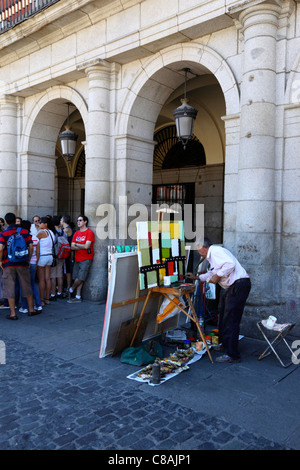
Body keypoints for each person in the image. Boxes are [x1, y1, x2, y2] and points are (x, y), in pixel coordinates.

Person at [186, 237, 251, 363]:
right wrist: (197, 277)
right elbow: (213, 272)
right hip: (234, 287)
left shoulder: (216, 251)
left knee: (230, 319)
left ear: (203, 248)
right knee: (223, 317)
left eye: (198, 250)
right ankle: (225, 345)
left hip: (238, 285)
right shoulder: (213, 256)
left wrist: (218, 276)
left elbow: (229, 265)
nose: (199, 253)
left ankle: (232, 354)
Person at [0, 212, 39, 319]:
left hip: (8, 264)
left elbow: (0, 248)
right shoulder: (25, 232)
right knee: (26, 285)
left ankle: (13, 313)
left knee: (10, 287)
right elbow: (31, 247)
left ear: (6, 222)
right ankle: (31, 309)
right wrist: (28, 260)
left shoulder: (4, 233)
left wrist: (0, 261)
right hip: (23, 262)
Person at [67, 215, 94, 303]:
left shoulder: (89, 232)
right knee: (77, 277)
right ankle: (78, 296)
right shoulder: (76, 233)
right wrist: (81, 246)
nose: (78, 222)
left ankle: (71, 289)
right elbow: (72, 246)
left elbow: (87, 246)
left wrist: (77, 245)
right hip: (77, 258)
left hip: (86, 258)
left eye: (80, 220)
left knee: (81, 277)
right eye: (77, 220)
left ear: (85, 222)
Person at [19, 220, 43, 314]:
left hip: (25, 263)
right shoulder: (35, 238)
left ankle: (24, 307)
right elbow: (38, 253)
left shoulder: (21, 238)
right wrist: (35, 263)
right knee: (32, 285)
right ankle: (38, 304)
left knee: (23, 286)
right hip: (33, 263)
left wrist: (28, 260)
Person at [37, 216, 55, 306]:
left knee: (41, 280)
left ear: (45, 224)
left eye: (40, 222)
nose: (39, 224)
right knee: (47, 278)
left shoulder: (41, 233)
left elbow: (34, 242)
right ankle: (47, 298)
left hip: (42, 257)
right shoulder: (51, 232)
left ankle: (41, 300)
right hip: (50, 257)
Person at [49, 216, 64, 300]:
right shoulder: (63, 232)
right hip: (62, 255)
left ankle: (53, 294)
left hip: (54, 255)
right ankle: (60, 292)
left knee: (53, 275)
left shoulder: (52, 232)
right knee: (60, 274)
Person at [60, 215, 74, 297]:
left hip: (67, 252)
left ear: (63, 221)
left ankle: (68, 288)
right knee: (65, 271)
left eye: (61, 220)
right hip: (66, 252)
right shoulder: (67, 229)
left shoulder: (66, 229)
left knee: (67, 271)